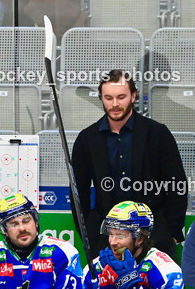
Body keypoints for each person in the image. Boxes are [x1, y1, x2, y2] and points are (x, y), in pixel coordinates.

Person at [72, 70, 188, 260]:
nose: (115, 104)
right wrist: (89, 234)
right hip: (105, 241)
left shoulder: (157, 133)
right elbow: (78, 193)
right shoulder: (87, 138)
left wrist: (172, 232)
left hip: (154, 238)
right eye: (108, 98)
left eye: (121, 97)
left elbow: (177, 185)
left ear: (133, 96)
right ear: (101, 98)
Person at [80, 201, 184, 289]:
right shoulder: (95, 268)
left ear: (140, 238)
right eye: (110, 234)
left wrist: (130, 286)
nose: (112, 242)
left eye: (120, 235)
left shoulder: (164, 268)